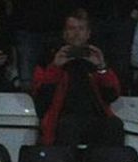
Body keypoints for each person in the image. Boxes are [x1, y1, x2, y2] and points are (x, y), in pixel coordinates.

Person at [32, 8, 124, 147]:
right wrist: (55, 67)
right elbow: (41, 100)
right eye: (72, 28)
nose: (76, 33)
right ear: (64, 33)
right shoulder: (48, 58)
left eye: (81, 29)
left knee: (114, 125)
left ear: (88, 34)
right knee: (68, 126)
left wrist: (101, 68)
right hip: (63, 118)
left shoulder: (96, 57)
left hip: (95, 117)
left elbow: (112, 95)